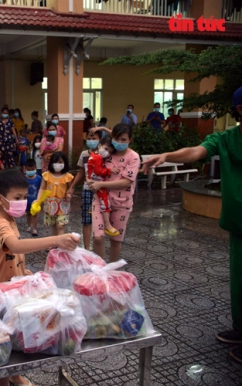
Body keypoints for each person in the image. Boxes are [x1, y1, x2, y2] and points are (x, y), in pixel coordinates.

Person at [141, 86, 242, 363]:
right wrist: (167, 155)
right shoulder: (227, 138)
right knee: (239, 280)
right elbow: (196, 151)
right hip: (239, 223)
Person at [0, 169, 79, 386]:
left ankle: (16, 376)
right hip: (4, 294)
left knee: (17, 336)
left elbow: (9, 251)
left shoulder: (9, 220)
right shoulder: (0, 224)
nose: (23, 202)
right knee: (7, 342)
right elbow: (17, 245)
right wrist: (55, 240)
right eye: (17, 198)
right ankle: (4, 382)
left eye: (25, 197)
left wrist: (22, 271)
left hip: (14, 287)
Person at [89, 124, 140, 263]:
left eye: (124, 140)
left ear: (130, 139)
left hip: (122, 203)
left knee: (116, 240)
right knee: (98, 237)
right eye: (117, 139)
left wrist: (101, 184)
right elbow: (93, 166)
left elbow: (126, 181)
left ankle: (111, 269)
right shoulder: (107, 153)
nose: (120, 143)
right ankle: (100, 270)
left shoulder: (133, 157)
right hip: (101, 199)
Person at [66, 130, 101, 249]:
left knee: (101, 219)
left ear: (100, 139)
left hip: (102, 190)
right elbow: (81, 171)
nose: (91, 141)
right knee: (87, 219)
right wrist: (72, 186)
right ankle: (87, 248)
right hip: (87, 189)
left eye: (94, 138)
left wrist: (103, 129)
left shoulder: (104, 153)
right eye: (89, 138)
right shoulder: (84, 154)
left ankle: (98, 245)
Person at [87, 136, 120, 237]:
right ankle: (108, 225)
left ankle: (91, 209)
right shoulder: (97, 158)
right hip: (98, 183)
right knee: (105, 203)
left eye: (109, 151)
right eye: (105, 149)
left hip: (94, 181)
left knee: (98, 199)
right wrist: (110, 171)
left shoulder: (94, 155)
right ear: (99, 145)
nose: (106, 153)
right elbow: (98, 171)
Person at [36, 152, 74, 237]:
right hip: (50, 204)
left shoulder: (68, 176)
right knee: (53, 225)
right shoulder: (46, 175)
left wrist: (69, 195)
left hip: (63, 205)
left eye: (60, 162)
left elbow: (70, 189)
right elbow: (42, 188)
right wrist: (38, 200)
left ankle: (61, 245)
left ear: (65, 163)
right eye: (55, 162)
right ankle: (54, 243)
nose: (57, 164)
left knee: (60, 225)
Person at [24, 159, 42, 237]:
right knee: (28, 213)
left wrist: (40, 200)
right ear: (25, 168)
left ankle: (34, 228)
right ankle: (29, 226)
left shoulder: (38, 178)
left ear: (35, 168)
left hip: (35, 201)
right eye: (28, 170)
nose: (30, 171)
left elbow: (41, 189)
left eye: (32, 169)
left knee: (34, 214)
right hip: (26, 201)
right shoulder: (24, 178)